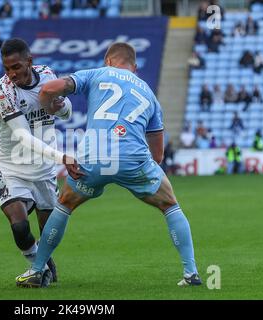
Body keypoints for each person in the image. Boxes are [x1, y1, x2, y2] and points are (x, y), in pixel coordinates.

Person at [16, 42, 201, 288]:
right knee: (170, 205)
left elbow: (49, 89)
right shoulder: (148, 93)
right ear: (133, 67)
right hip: (133, 157)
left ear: (109, 60)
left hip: (94, 156)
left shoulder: (96, 73)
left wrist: (52, 107)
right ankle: (191, 273)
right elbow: (158, 154)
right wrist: (143, 173)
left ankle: (37, 270)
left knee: (64, 205)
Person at [0, 38, 75, 285]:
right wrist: (63, 158)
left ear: (30, 61)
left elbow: (67, 111)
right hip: (10, 168)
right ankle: (37, 265)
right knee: (19, 228)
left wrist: (59, 106)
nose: (11, 73)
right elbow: (23, 136)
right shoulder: (3, 90)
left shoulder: (48, 75)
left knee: (49, 232)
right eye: (6, 68)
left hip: (44, 171)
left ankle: (44, 262)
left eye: (16, 67)